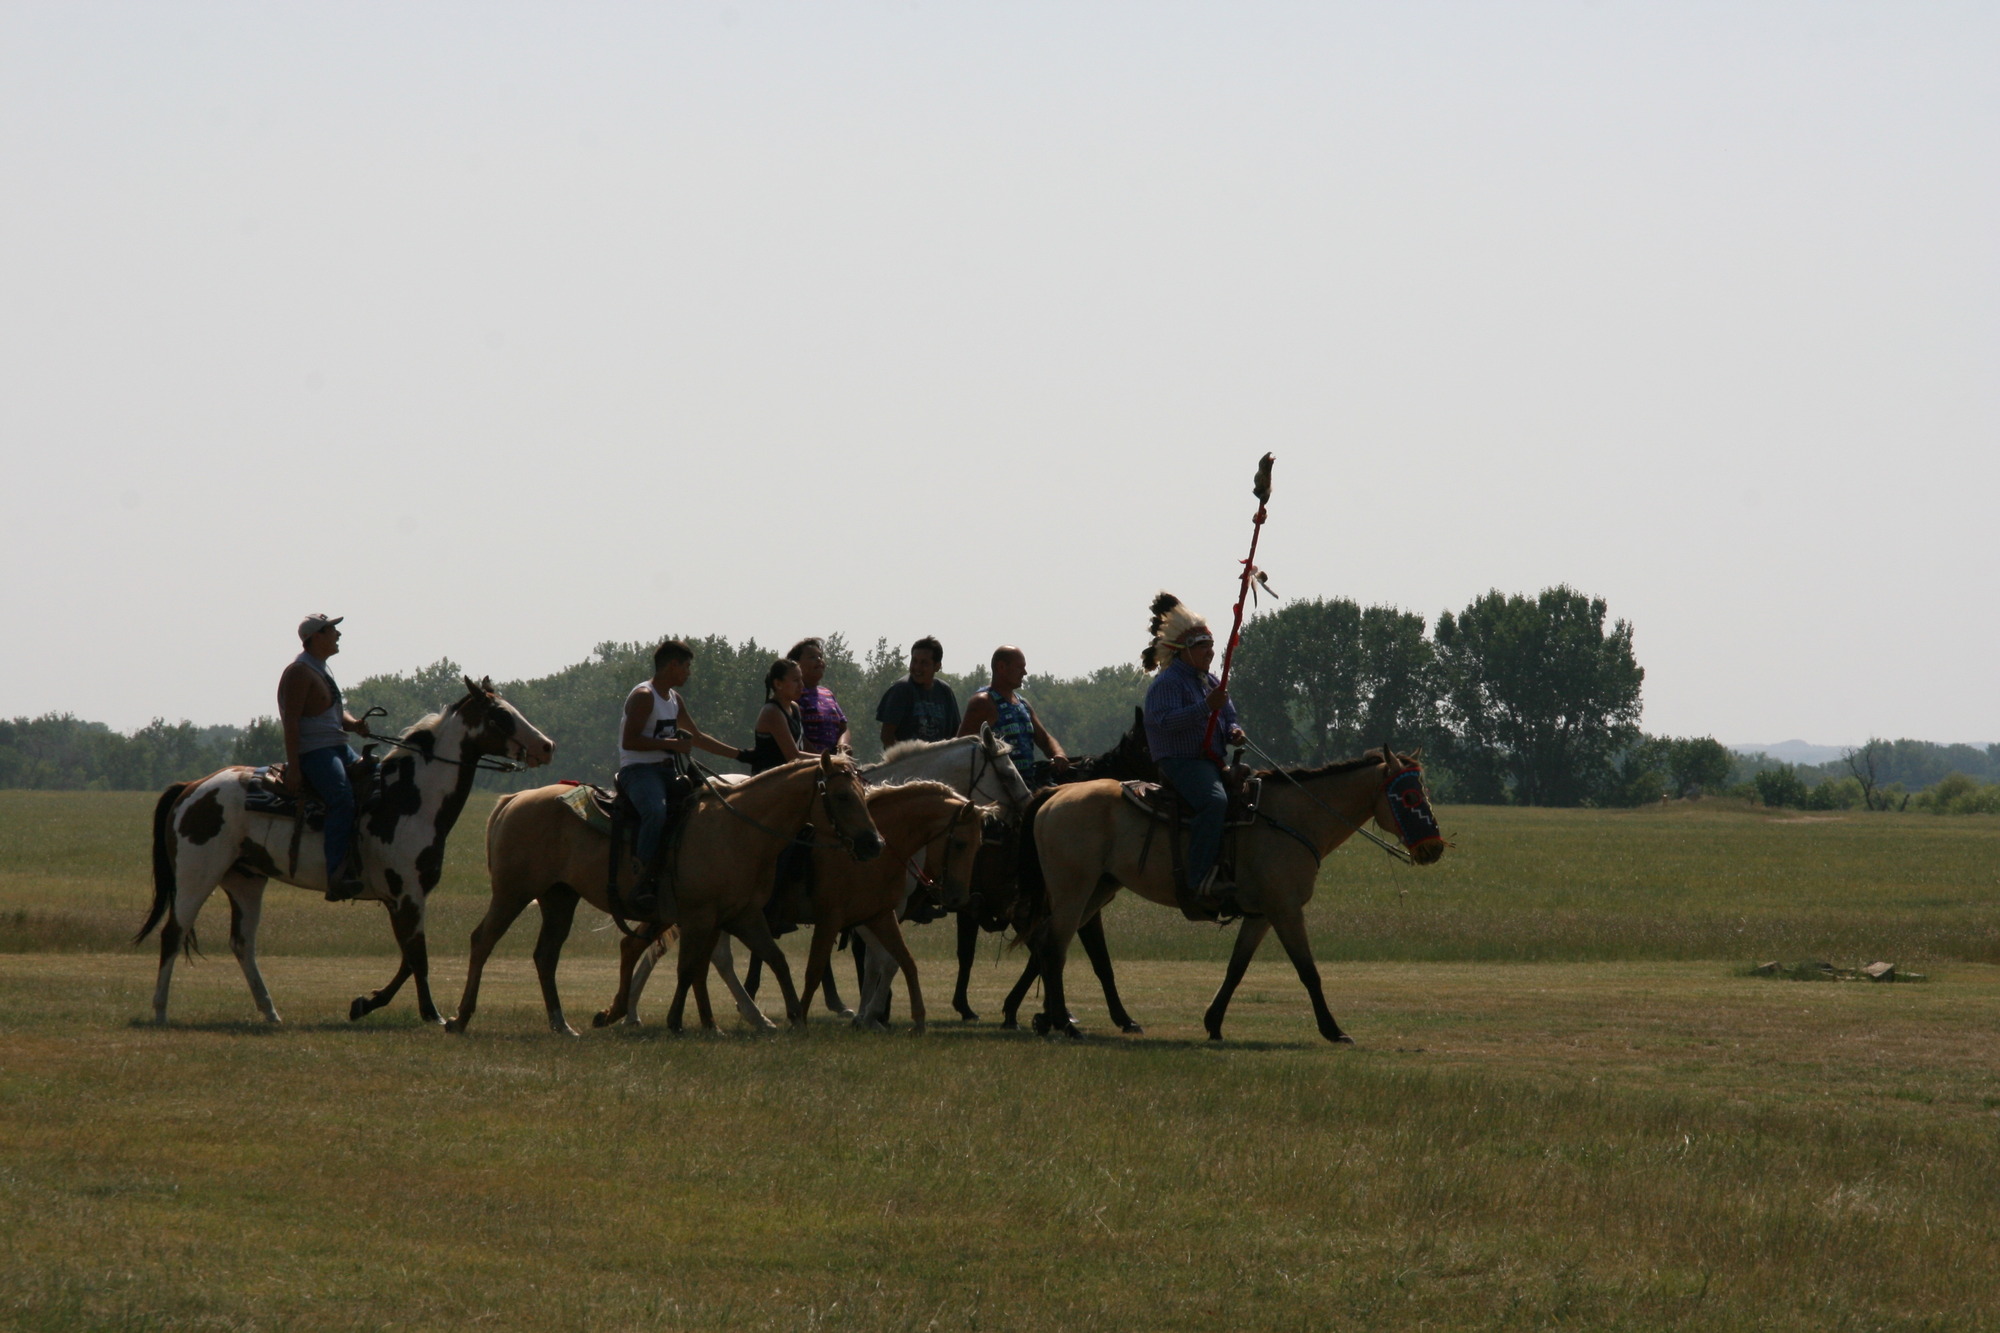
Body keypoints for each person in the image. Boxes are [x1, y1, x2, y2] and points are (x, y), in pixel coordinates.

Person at [618, 639, 747, 918]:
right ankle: (643, 879)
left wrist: (741, 755)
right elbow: (629, 741)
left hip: (667, 771)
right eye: (687, 666)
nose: (689, 672)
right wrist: (674, 745)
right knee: (655, 812)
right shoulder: (644, 695)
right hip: (639, 771)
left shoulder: (674, 700)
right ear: (673, 665)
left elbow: (698, 738)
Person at [1140, 593, 1247, 916]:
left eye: (1211, 648)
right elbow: (1163, 723)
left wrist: (1233, 731)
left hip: (1212, 761)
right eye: (1203, 648)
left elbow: (1228, 715)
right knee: (1214, 802)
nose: (1210, 653)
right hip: (1181, 763)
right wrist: (1204, 708)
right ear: (1184, 652)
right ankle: (1199, 879)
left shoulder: (1211, 680)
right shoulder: (1167, 683)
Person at [277, 614, 374, 901]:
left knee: (377, 780)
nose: (338, 635)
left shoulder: (320, 669)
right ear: (316, 636)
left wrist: (354, 724)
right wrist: (294, 767)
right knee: (341, 798)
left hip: (338, 747)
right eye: (333, 630)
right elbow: (291, 720)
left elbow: (330, 710)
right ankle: (337, 875)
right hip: (316, 751)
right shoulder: (298, 672)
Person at [957, 645, 1069, 787]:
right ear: (1001, 667)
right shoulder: (983, 702)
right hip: (1001, 788)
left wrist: (1058, 754)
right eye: (1019, 668)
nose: (1025, 672)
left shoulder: (1023, 703)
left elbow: (1044, 739)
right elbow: (961, 748)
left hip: (1027, 783)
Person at [875, 636, 960, 747]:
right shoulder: (901, 690)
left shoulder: (945, 692)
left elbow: (957, 733)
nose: (917, 667)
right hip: (907, 761)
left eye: (924, 663)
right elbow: (887, 736)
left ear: (937, 666)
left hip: (939, 761)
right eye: (914, 661)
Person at [788, 637, 850, 757]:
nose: (819, 660)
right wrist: (822, 759)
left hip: (833, 764)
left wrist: (843, 747)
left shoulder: (827, 693)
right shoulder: (794, 696)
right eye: (812, 657)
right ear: (797, 664)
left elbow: (844, 727)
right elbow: (796, 735)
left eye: (820, 657)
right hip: (808, 764)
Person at [750, 658, 810, 773]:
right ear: (778, 684)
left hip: (788, 778)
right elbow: (793, 756)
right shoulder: (772, 712)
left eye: (801, 679)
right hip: (769, 780)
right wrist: (835, 760)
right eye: (796, 680)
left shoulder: (794, 707)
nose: (801, 685)